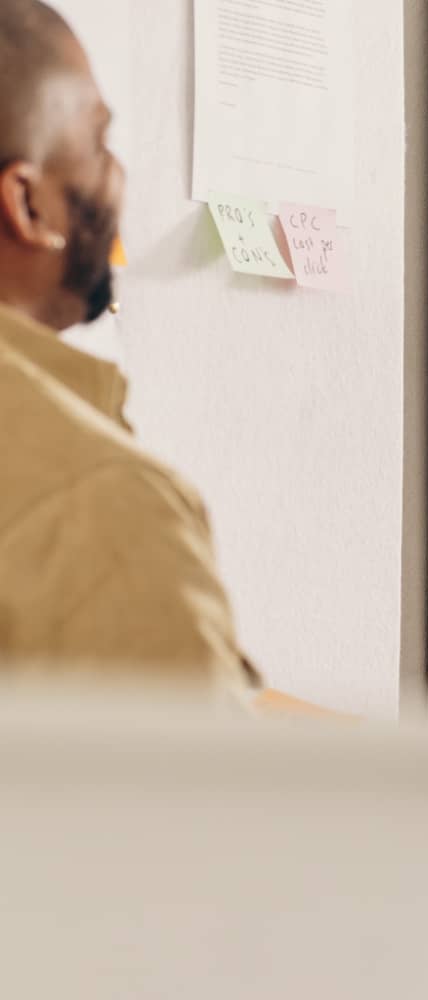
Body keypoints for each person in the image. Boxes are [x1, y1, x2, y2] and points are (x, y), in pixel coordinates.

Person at [0, 0, 256, 702]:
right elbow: (197, 804)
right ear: (26, 205)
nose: (117, 177)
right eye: (98, 143)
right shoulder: (99, 505)